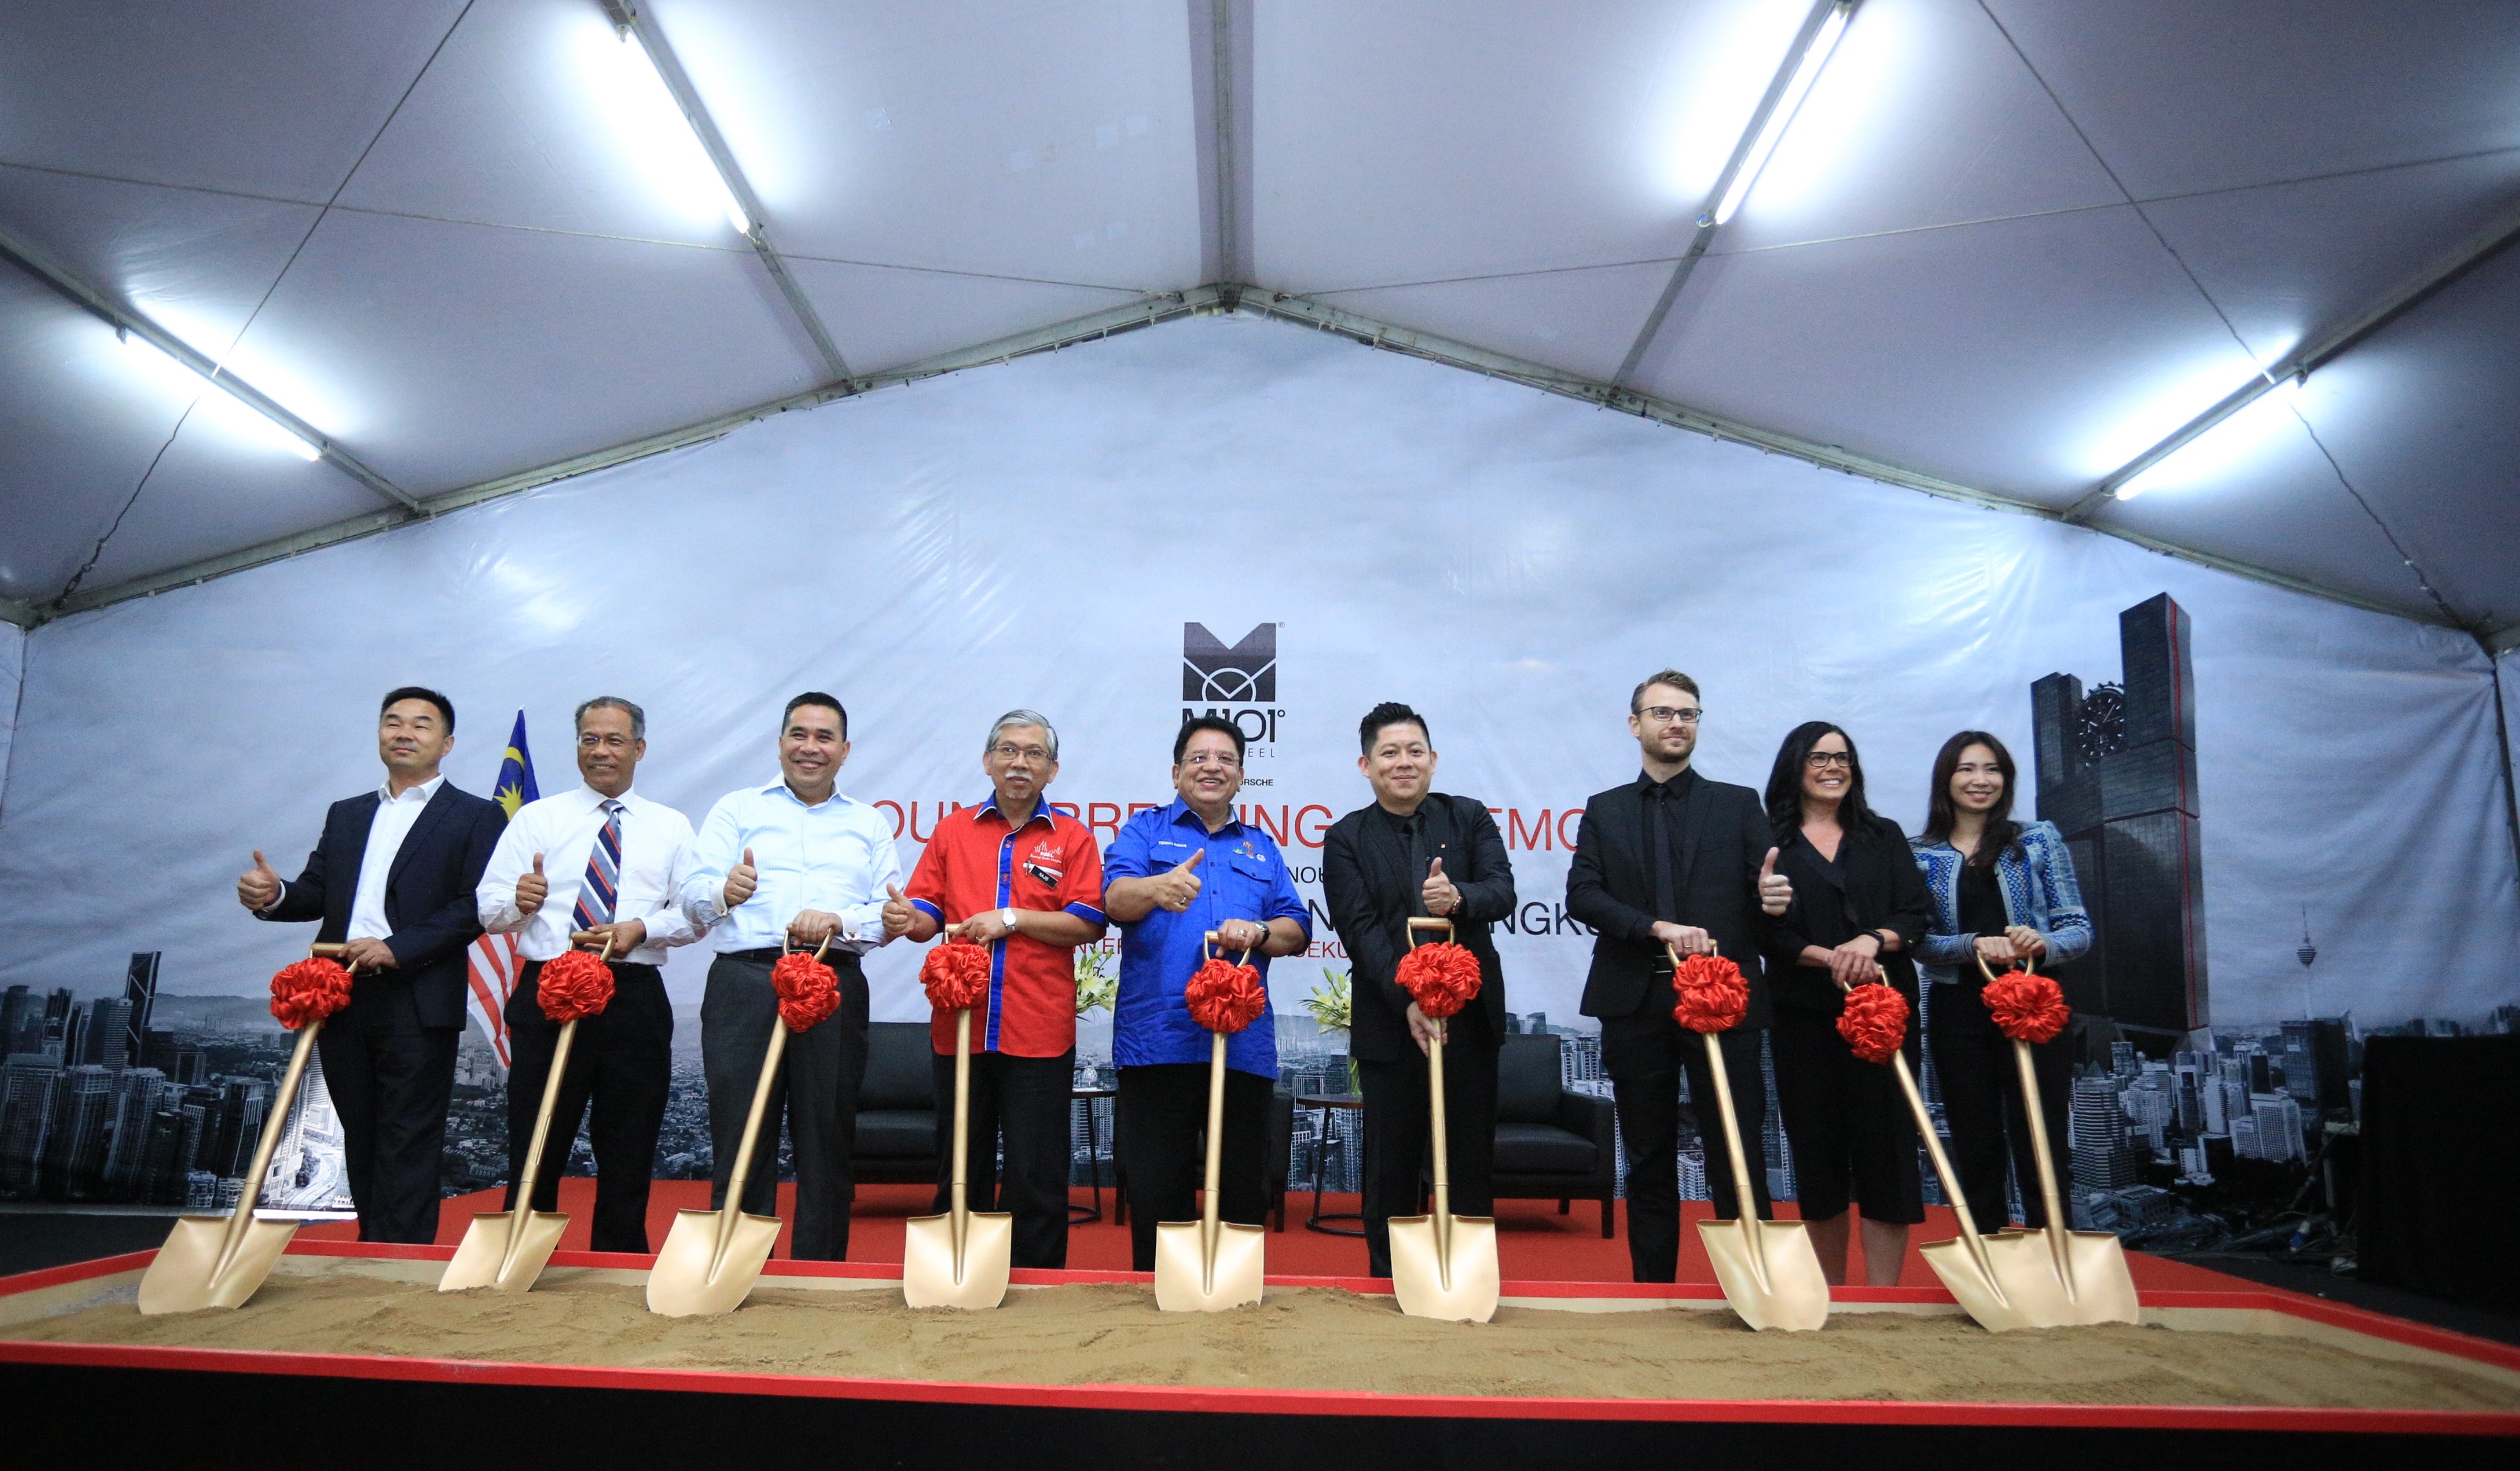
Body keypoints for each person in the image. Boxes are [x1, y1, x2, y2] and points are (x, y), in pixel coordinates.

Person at [236, 686, 506, 1244]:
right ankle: (371, 1251)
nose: (404, 732)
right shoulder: (349, 812)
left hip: (418, 992)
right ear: (380, 734)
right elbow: (316, 892)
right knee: (359, 1131)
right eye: (393, 722)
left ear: (447, 742)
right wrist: (273, 894)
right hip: (341, 993)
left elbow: (474, 906)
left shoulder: (477, 816)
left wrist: (398, 946)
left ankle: (401, 1263)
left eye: (421, 725)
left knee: (408, 1136)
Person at [1565, 670, 1792, 1283]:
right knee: (1647, 1155)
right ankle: (1653, 1290)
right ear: (1635, 724)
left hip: (1723, 997)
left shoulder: (1738, 803)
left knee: (1736, 1149)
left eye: (1687, 713)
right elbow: (1582, 896)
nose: (1676, 723)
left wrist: (1773, 897)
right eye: (1662, 713)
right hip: (1635, 999)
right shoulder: (1605, 809)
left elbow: (1767, 897)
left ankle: (1756, 1288)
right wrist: (1653, 927)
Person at [679, 693, 902, 1261]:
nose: (811, 747)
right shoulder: (735, 809)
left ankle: (818, 1273)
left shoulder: (867, 822)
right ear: (780, 743)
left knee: (826, 1137)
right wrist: (720, 893)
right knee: (741, 1133)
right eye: (799, 734)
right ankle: (733, 1267)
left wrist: (841, 920)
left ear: (845, 750)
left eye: (824, 737)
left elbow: (888, 913)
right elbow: (689, 895)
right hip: (745, 982)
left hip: (833, 981)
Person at [881, 709, 1106, 1269]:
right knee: (960, 1163)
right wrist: (903, 918)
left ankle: (1035, 1284)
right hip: (961, 1027)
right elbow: (926, 916)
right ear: (987, 761)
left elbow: (1088, 922)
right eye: (1008, 750)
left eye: (1033, 753)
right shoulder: (952, 831)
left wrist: (1012, 917)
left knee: (1037, 1172)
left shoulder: (1073, 838)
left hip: (1038, 1029)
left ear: (1052, 770)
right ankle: (953, 1278)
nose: (1019, 762)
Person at [474, 697, 698, 1253]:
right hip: (550, 989)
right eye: (589, 739)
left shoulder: (670, 826)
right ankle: (518, 1258)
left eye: (614, 740)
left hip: (633, 993)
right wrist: (518, 903)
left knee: (629, 1142)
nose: (601, 750)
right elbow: (489, 905)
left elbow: (695, 914)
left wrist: (641, 928)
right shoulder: (537, 818)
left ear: (638, 749)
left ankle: (619, 1261)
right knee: (536, 1137)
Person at [1101, 716, 1310, 1272]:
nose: (1211, 767)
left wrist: (1261, 931)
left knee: (1242, 1188)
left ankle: (1235, 1308)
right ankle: (1159, 1299)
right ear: (1176, 772)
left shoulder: (1262, 847)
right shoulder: (1143, 832)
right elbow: (1115, 901)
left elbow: (1296, 927)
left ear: (1241, 775)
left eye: (1225, 759)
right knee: (1157, 1187)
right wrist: (1156, 887)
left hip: (1242, 1046)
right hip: (1159, 1043)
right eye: (1198, 757)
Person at [1321, 701, 1515, 1279]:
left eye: (1414, 752)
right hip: (1390, 1021)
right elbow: (1359, 931)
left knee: (1469, 1159)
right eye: (1389, 753)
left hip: (1468, 1022)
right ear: (1365, 764)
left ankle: (1468, 1281)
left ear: (1432, 760)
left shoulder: (1469, 817)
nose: (1402, 763)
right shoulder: (1345, 837)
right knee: (1391, 1164)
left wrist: (1458, 900)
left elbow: (1502, 891)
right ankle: (1391, 1282)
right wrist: (1408, 1001)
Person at [1759, 721, 1929, 1286]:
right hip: (1803, 1019)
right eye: (1818, 757)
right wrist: (1824, 955)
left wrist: (1870, 941)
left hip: (1882, 1016)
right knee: (1818, 1153)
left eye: (1842, 757)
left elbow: (1915, 915)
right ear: (1795, 767)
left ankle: (1883, 1300)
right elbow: (1762, 934)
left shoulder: (1883, 835)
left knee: (1887, 1154)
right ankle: (1832, 1295)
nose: (1833, 767)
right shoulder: (1769, 841)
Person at [1910, 730, 2092, 1232]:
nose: (1979, 780)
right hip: (1957, 1011)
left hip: (2035, 1006)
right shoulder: (1919, 853)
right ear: (1945, 778)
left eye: (1991, 769)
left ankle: (2054, 1251)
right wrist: (1972, 945)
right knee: (1974, 1140)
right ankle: (1989, 1254)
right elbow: (1917, 942)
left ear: (2005, 780)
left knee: (2042, 1136)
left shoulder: (2037, 839)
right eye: (1966, 768)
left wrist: (2040, 943)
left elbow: (2077, 928)